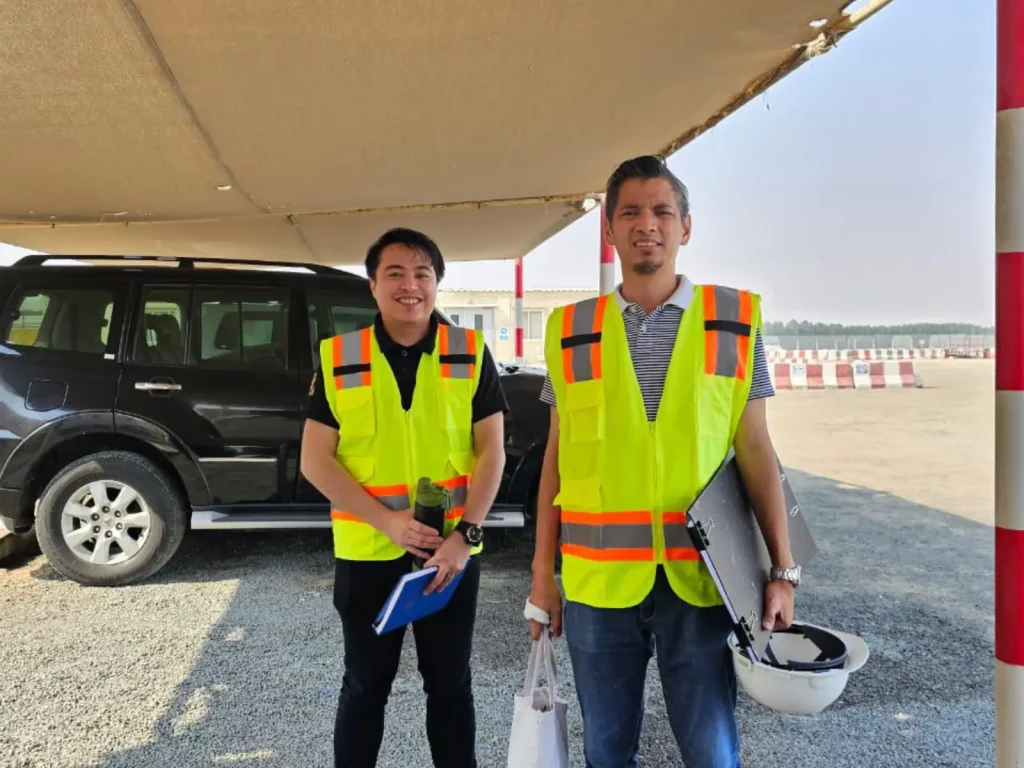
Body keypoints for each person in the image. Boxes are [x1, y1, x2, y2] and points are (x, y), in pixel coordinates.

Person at [526, 156, 799, 768]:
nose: (646, 224)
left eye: (661, 211)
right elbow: (556, 461)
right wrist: (543, 574)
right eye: (630, 212)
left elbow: (756, 450)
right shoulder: (571, 331)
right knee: (605, 749)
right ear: (609, 229)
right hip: (598, 587)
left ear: (685, 227)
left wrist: (784, 570)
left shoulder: (733, 321)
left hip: (702, 582)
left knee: (711, 749)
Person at [301, 227, 508, 768]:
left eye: (423, 273)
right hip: (368, 554)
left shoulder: (470, 352)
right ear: (372, 285)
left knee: (450, 687)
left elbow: (492, 453)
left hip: (449, 558)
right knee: (365, 687)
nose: (410, 285)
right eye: (395, 273)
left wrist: (466, 537)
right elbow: (315, 459)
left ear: (438, 283)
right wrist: (387, 522)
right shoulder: (339, 357)